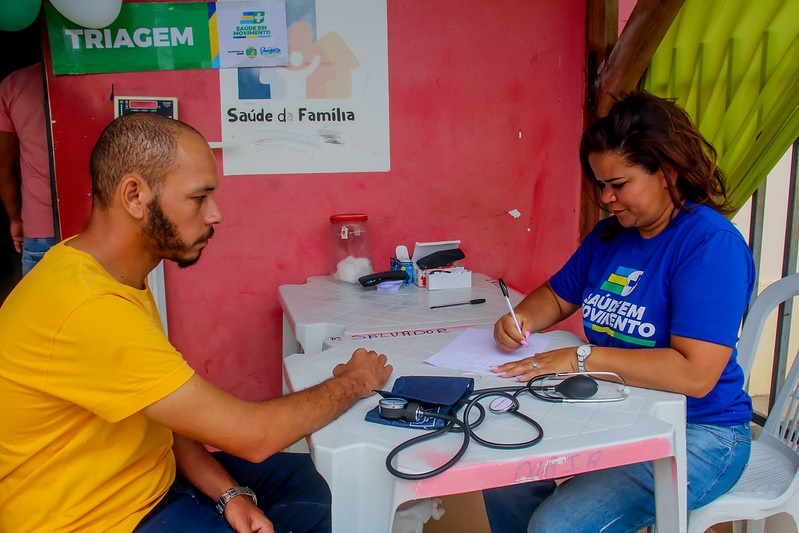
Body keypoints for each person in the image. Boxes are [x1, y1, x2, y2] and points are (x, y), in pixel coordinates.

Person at [0, 112, 393, 532]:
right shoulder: (87, 308)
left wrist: (229, 493)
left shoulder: (106, 272)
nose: (216, 214)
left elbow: (165, 410)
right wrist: (354, 380)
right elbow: (254, 436)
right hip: (96, 520)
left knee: (310, 484)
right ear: (134, 195)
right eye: (198, 197)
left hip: (149, 482)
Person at [483, 91, 754, 533]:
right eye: (599, 184)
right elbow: (556, 294)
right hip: (620, 408)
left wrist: (582, 359)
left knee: (556, 526)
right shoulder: (611, 235)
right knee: (504, 472)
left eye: (618, 184)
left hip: (700, 434)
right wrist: (522, 318)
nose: (606, 197)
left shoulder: (710, 246)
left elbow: (694, 375)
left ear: (666, 173)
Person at [0, 62, 55, 275]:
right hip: (100, 227)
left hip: (41, 228)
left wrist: (15, 218)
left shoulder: (14, 85)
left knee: (41, 307)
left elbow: (3, 170)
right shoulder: (98, 71)